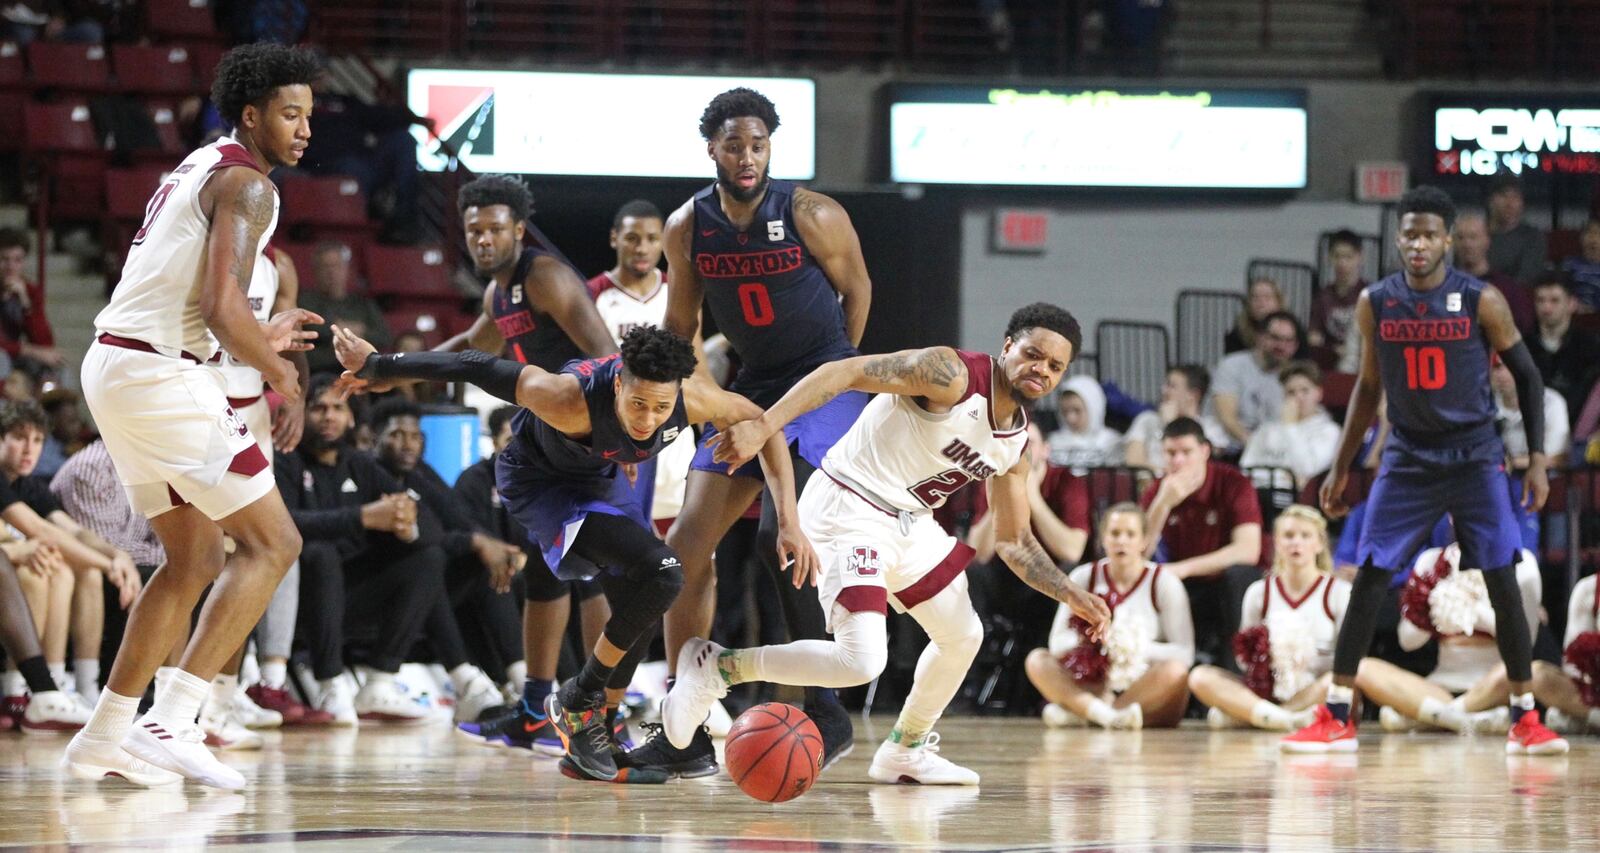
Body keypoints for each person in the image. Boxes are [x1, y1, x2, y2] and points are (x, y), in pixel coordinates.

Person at [333, 323, 811, 784]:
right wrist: (380, 366)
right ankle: (579, 697)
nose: (647, 419)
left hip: (602, 478)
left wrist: (787, 520)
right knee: (665, 572)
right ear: (619, 382)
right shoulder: (564, 397)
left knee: (642, 597)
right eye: (637, 404)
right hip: (541, 483)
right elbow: (471, 363)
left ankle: (598, 727)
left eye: (660, 408)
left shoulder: (695, 400)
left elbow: (763, 425)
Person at [663, 304, 1112, 785]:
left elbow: (1014, 541)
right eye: (1032, 354)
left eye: (1054, 366)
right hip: (850, 503)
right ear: (1007, 347)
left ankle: (905, 749)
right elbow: (844, 372)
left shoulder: (1016, 443)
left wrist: (1070, 593)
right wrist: (765, 425)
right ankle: (715, 667)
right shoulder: (951, 374)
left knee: (964, 635)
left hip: (909, 522)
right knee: (861, 661)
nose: (1040, 370)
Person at [62, 42, 321, 790]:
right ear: (252, 114)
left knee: (196, 557)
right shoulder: (250, 186)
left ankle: (104, 734)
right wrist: (277, 370)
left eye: (309, 114)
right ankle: (174, 716)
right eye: (290, 113)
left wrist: (249, 339)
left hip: (120, 364)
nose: (305, 129)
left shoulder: (206, 163)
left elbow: (203, 308)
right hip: (155, 371)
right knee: (275, 543)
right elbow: (219, 304)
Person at [1282, 185, 1567, 755]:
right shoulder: (1376, 301)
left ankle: (1524, 717)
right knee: (1368, 571)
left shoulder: (1481, 299)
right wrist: (1342, 468)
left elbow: (1529, 377)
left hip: (1475, 455)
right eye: (1409, 233)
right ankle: (1337, 712)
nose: (1418, 244)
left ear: (1446, 240)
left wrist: (1535, 460)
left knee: (1502, 576)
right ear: (1399, 238)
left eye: (1429, 234)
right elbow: (1367, 387)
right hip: (1408, 457)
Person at [658, 87, 873, 771]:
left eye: (757, 142)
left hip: (823, 379)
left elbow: (858, 290)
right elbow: (680, 326)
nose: (745, 156)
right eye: (732, 144)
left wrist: (837, 372)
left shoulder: (812, 213)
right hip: (747, 387)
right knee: (681, 545)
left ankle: (826, 708)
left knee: (775, 532)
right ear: (711, 148)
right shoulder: (687, 226)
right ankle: (682, 712)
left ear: (770, 145)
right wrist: (697, 397)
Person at [422, 174, 619, 758]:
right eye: (474, 230)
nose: (483, 239)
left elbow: (606, 355)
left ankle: (598, 709)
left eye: (494, 228)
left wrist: (615, 443)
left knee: (588, 575)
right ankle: (537, 708)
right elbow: (468, 348)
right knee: (547, 571)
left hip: (588, 436)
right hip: (551, 439)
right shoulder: (497, 294)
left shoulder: (545, 277)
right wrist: (391, 367)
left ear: (518, 229)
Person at [274, 375, 437, 726]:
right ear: (302, 414)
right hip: (296, 596)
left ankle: (379, 681)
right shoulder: (286, 459)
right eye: (318, 408)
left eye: (337, 408)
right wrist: (363, 517)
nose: (329, 416)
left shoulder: (360, 463)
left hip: (352, 594)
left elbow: (412, 511)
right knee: (321, 554)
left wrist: (405, 517)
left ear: (351, 418)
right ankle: (329, 683)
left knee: (426, 556)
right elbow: (285, 523)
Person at [367, 397, 520, 723]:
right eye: (397, 435)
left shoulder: (418, 473)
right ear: (373, 438)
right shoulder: (369, 471)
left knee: (486, 565)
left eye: (415, 436)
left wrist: (491, 546)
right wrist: (475, 541)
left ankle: (519, 682)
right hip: (370, 593)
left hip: (414, 595)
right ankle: (467, 683)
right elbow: (428, 535)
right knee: (430, 561)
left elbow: (457, 516)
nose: (408, 444)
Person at [1026, 503, 1193, 731]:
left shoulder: (1164, 582)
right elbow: (1056, 643)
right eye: (1114, 534)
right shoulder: (1084, 577)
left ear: (1144, 541)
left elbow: (1184, 653)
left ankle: (1089, 714)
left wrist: (1131, 646)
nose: (1121, 541)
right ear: (1103, 539)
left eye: (1130, 534)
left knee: (1176, 672)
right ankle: (1106, 715)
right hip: (1093, 682)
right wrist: (1095, 643)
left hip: (1144, 685)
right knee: (1037, 660)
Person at [586, 199, 696, 537]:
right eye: (632, 238)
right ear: (614, 238)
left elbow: (697, 368)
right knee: (622, 557)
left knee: (690, 553)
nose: (642, 247)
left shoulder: (678, 291)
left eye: (651, 238)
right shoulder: (592, 295)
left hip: (672, 434)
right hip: (616, 434)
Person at [1359, 540, 1544, 737]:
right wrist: (1434, 609)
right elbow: (1407, 642)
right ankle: (1461, 719)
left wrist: (1474, 610)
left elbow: (1527, 640)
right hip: (1439, 687)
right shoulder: (1431, 559)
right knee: (1364, 668)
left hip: (1494, 687)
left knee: (1531, 670)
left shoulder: (1521, 560)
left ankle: (1427, 718)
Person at [1188, 505, 1349, 731]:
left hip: (1313, 688)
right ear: (1276, 542)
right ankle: (1284, 719)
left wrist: (1300, 657)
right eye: (1288, 536)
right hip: (1267, 690)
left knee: (1338, 681)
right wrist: (1268, 660)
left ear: (1320, 544)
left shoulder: (1338, 591)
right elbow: (1242, 658)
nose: (1296, 543)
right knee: (1200, 676)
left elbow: (1348, 661)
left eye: (1305, 536)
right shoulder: (1259, 592)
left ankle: (1255, 717)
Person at [1139, 417, 1263, 669]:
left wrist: (1184, 568)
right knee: (1142, 579)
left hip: (1221, 580)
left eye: (1186, 452)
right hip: (1179, 584)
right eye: (1170, 453)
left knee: (1240, 575)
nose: (1178, 461)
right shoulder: (1158, 491)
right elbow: (1137, 553)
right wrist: (1162, 505)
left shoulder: (1234, 483)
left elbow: (1249, 550)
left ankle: (1236, 674)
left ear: (1205, 451)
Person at [1240, 361, 1341, 490]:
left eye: (1305, 390)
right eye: (1291, 392)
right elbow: (1247, 467)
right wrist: (1281, 477)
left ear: (1319, 393)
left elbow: (1308, 469)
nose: (1298, 397)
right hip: (1261, 494)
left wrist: (1290, 426)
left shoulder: (1330, 431)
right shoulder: (1267, 429)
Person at [1212, 310, 1301, 450]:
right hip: (1231, 449)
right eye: (1275, 338)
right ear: (1260, 337)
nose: (1282, 346)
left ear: (1295, 346)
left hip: (1270, 452)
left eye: (1288, 341)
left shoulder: (1294, 378)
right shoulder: (1232, 365)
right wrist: (1256, 448)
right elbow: (1227, 419)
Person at [300, 241, 391, 376]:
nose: (331, 272)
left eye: (336, 266)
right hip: (320, 371)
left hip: (361, 372)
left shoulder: (363, 304)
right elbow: (311, 332)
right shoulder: (304, 301)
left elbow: (384, 337)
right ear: (315, 270)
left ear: (346, 269)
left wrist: (362, 332)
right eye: (325, 267)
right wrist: (343, 331)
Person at [1526, 272, 1600, 429]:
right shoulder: (1521, 345)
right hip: (1529, 427)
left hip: (1578, 429)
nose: (1546, 307)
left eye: (1554, 300)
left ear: (1572, 303)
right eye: (1540, 300)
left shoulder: (1590, 347)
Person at [1530, 571, 1600, 733]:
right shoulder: (1589, 588)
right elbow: (1572, 663)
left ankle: (1580, 719)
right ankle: (1592, 717)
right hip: (1596, 689)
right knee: (1537, 674)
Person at [1123, 365, 1228, 472]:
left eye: (1171, 386)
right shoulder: (1146, 420)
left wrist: (1171, 425)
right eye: (1165, 385)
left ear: (1193, 395)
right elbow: (1134, 463)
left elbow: (1205, 467)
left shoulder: (1211, 428)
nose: (1163, 390)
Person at [0, 227, 64, 380]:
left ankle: (55, 402)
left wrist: (26, 305)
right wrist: (31, 351)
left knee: (57, 366)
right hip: (5, 355)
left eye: (17, 260)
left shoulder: (29, 291)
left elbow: (45, 343)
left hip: (15, 354)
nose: (11, 267)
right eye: (4, 259)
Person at [1453, 212, 1533, 330]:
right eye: (1460, 238)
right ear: (1452, 242)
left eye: (1473, 237)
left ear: (1487, 240)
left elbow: (1522, 328)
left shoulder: (1507, 289)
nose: (1467, 244)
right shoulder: (1442, 286)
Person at [1310, 230, 1367, 373]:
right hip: (1329, 367)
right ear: (1329, 258)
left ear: (1360, 257)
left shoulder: (1371, 295)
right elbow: (1313, 339)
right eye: (1337, 256)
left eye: (1348, 257)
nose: (1342, 263)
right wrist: (1335, 350)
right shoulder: (1322, 297)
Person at [1045, 375, 1123, 471]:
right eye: (1065, 411)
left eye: (1077, 410)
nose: (1070, 418)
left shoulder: (1112, 442)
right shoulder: (1052, 443)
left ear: (1094, 408)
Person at [1485, 174, 1548, 286]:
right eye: (1504, 196)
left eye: (1515, 197)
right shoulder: (1476, 236)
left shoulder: (1533, 238)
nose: (1510, 203)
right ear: (1491, 200)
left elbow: (1526, 280)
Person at [1224, 278, 1285, 354]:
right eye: (1255, 298)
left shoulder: (1292, 332)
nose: (1261, 303)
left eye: (1267, 297)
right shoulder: (1237, 336)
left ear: (1278, 302)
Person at [1559, 217, 1600, 310]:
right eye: (1589, 233)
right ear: (1581, 238)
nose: (1593, 239)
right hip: (1574, 312)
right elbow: (1560, 290)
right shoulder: (1569, 264)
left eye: (1598, 234)